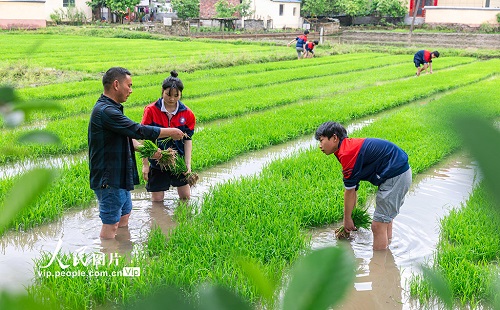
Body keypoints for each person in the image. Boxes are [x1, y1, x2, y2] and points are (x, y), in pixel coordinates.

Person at [88, 67, 185, 239]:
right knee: (111, 224)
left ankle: (124, 253)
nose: (131, 90)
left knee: (124, 216)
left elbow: (127, 136)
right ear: (116, 85)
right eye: (129, 85)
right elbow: (137, 130)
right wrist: (169, 131)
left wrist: (154, 152)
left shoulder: (113, 108)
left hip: (120, 176)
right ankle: (108, 258)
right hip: (109, 179)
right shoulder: (106, 111)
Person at [315, 121, 412, 250]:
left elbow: (349, 191)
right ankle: (387, 251)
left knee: (378, 226)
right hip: (398, 173)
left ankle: (379, 266)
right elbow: (353, 188)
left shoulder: (347, 153)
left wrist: (347, 219)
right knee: (385, 220)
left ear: (334, 138)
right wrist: (349, 220)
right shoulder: (346, 148)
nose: (320, 146)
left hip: (395, 176)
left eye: (321, 140)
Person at [140, 71, 196, 203]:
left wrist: (188, 164)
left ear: (181, 94)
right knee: (157, 201)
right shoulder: (151, 110)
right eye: (168, 95)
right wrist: (145, 165)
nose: (172, 99)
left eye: (176, 95)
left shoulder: (187, 113)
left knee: (185, 197)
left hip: (178, 161)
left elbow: (188, 140)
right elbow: (144, 138)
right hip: (157, 161)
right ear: (162, 91)